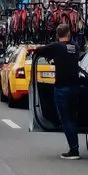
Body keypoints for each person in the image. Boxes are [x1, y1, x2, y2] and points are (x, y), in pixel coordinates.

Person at [35, 25, 83, 160]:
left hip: (62, 87)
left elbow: (39, 50)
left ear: (57, 35)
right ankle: (75, 147)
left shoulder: (56, 47)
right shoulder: (75, 47)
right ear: (69, 34)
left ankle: (74, 149)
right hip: (76, 87)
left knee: (65, 118)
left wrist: (49, 56)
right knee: (72, 117)